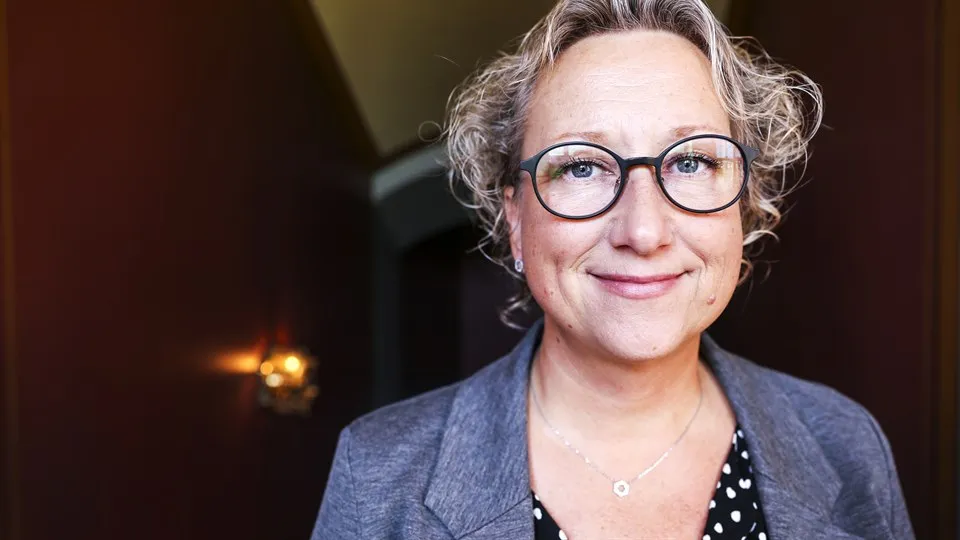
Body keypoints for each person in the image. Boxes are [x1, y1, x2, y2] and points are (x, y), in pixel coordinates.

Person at [311, 0, 914, 538]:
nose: (643, 231)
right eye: (580, 167)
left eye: (693, 161)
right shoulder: (379, 471)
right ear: (516, 220)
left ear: (745, 205)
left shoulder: (845, 444)